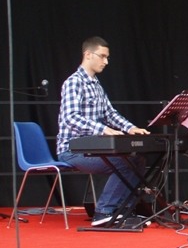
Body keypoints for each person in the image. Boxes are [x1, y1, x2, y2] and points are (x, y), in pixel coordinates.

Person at [56, 36, 151, 226]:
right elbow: (70, 117)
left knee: (138, 160)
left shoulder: (96, 84)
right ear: (88, 54)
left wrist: (130, 128)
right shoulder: (74, 83)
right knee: (125, 163)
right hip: (72, 151)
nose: (106, 61)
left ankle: (125, 210)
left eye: (107, 57)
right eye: (102, 56)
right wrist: (103, 129)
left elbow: (110, 113)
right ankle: (103, 212)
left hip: (93, 149)